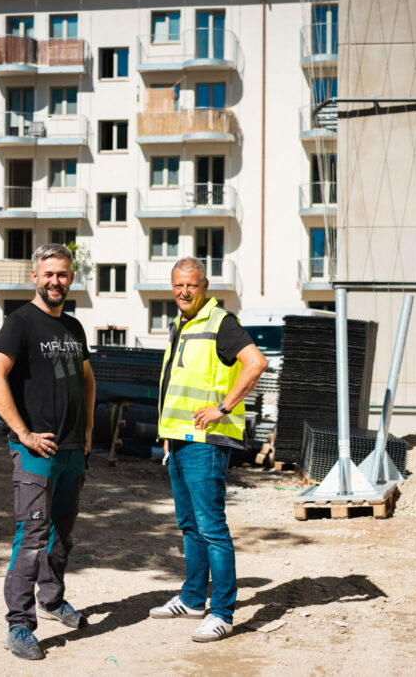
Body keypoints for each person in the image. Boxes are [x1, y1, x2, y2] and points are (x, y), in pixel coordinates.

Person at [0, 243, 95, 661]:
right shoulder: (20, 322)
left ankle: (51, 601)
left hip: (71, 452)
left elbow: (87, 379)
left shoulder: (74, 327)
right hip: (36, 453)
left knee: (61, 534)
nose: (55, 281)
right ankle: (19, 624)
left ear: (71, 277)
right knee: (30, 537)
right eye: (48, 274)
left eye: (62, 274)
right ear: (35, 276)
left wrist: (87, 431)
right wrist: (23, 433)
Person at [149, 257, 268, 642]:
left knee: (212, 529)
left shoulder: (221, 323)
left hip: (206, 443)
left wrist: (224, 407)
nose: (184, 292)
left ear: (205, 287)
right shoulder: (182, 325)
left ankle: (222, 612)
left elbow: (256, 363)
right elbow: (177, 384)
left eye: (192, 286)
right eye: (178, 286)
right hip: (180, 438)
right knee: (189, 525)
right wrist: (168, 433)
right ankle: (192, 598)